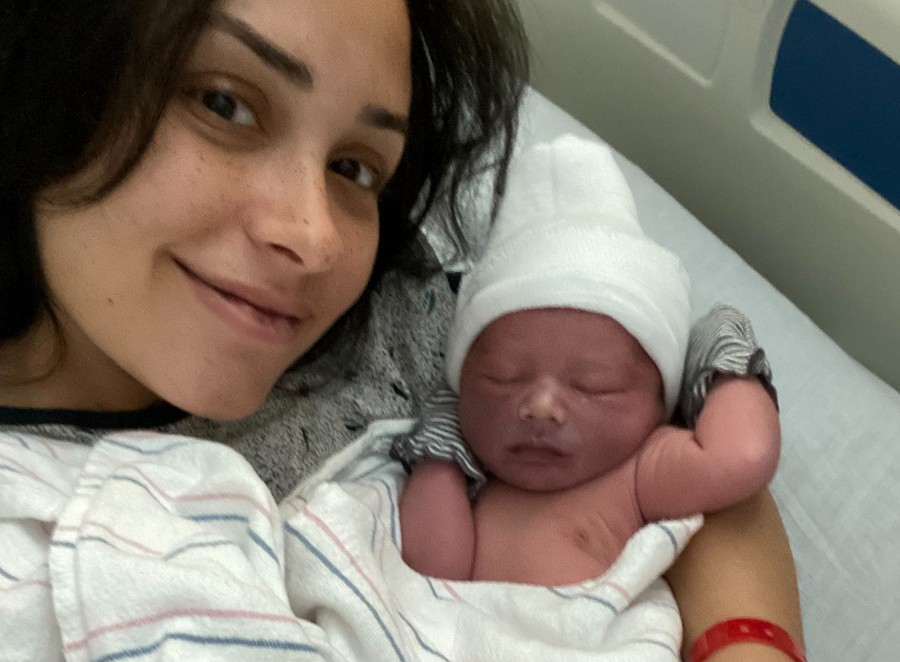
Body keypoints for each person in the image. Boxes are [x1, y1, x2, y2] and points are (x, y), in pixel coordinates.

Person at [0, 0, 802, 659]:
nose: (313, 236)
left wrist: (748, 643)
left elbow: (691, 461)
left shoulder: (408, 323)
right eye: (225, 104)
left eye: (354, 167)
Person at [398, 135, 782, 587]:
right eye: (501, 378)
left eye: (593, 385)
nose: (540, 406)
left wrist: (720, 354)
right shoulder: (475, 478)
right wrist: (444, 453)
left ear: (660, 403)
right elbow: (430, 570)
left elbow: (741, 456)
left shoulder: (638, 471)